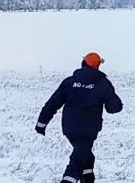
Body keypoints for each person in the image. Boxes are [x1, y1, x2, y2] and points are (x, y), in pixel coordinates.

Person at [36, 52, 123, 183]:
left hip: (69, 129)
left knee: (87, 157)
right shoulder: (102, 84)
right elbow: (114, 108)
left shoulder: (69, 82)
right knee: (76, 162)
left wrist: (41, 124)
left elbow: (52, 104)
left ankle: (87, 179)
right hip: (87, 131)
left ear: (83, 64)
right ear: (97, 67)